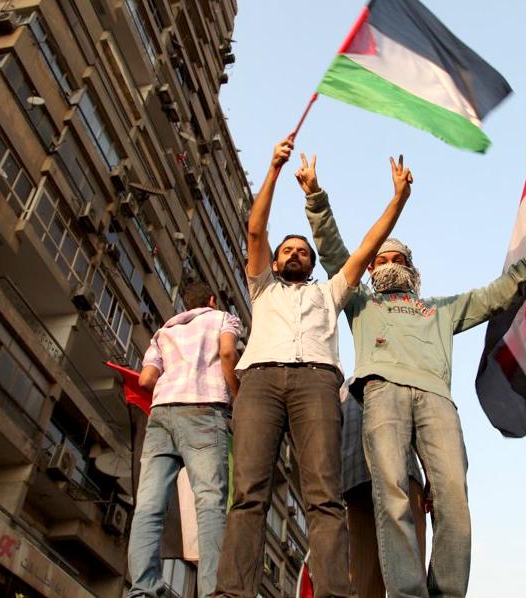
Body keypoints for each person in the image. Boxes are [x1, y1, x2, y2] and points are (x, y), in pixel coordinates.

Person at [299, 154, 526, 598]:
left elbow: (493, 297)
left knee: (453, 500)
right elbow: (334, 254)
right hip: (382, 393)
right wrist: (314, 197)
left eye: (395, 257)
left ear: (411, 267)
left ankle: (448, 591)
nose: (386, 263)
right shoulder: (361, 304)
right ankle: (406, 592)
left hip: (436, 399)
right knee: (393, 494)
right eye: (379, 259)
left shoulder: (439, 308)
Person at [214, 137, 412, 598]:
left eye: (303, 250)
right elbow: (255, 231)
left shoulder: (331, 291)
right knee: (248, 494)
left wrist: (397, 199)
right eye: (289, 250)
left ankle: (333, 593)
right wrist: (274, 171)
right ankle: (232, 592)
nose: (295, 254)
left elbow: (367, 246)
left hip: (317, 383)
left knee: (324, 497)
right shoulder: (262, 288)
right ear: (276, 260)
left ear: (313, 261)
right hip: (260, 380)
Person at [128, 282, 241, 598]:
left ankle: (142, 589)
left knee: (149, 506)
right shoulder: (222, 319)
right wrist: (238, 394)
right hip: (204, 410)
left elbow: (146, 378)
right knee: (209, 502)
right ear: (212, 300)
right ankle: (211, 592)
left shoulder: (164, 332)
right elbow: (228, 352)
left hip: (162, 414)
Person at [341, 383, 427, 598]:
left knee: (364, 576)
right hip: (401, 473)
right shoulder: (398, 377)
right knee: (410, 570)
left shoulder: (344, 388)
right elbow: (421, 429)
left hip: (355, 477)